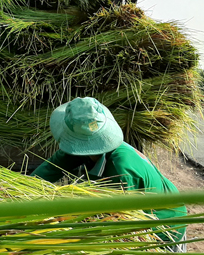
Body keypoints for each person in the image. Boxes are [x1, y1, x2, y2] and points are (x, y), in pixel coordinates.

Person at [31, 97, 187, 252]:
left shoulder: (121, 170)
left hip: (164, 224)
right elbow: (50, 169)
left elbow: (118, 225)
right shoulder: (84, 147)